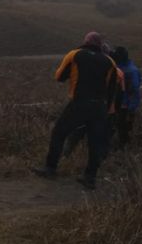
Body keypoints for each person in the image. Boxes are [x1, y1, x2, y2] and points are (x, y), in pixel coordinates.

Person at [33, 32, 118, 190]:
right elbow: (112, 90)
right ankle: (90, 178)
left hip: (79, 104)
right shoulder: (110, 61)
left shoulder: (74, 54)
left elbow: (59, 76)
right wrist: (107, 111)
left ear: (86, 41)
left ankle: (50, 168)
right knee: (95, 143)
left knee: (59, 133)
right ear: (101, 45)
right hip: (99, 107)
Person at [112, 46, 140, 149]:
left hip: (125, 105)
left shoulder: (130, 71)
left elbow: (134, 91)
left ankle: (123, 148)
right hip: (119, 103)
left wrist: (131, 108)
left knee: (123, 127)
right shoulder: (122, 68)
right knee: (118, 125)